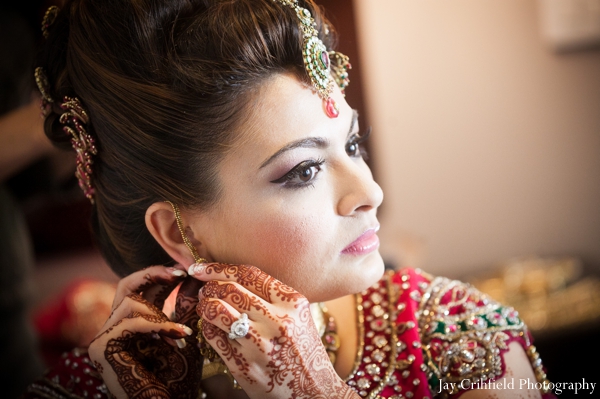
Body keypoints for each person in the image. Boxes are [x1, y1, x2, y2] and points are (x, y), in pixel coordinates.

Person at [23, 0, 555, 398]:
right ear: (176, 233)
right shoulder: (96, 386)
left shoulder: (458, 336)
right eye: (303, 170)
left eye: (353, 144)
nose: (369, 192)